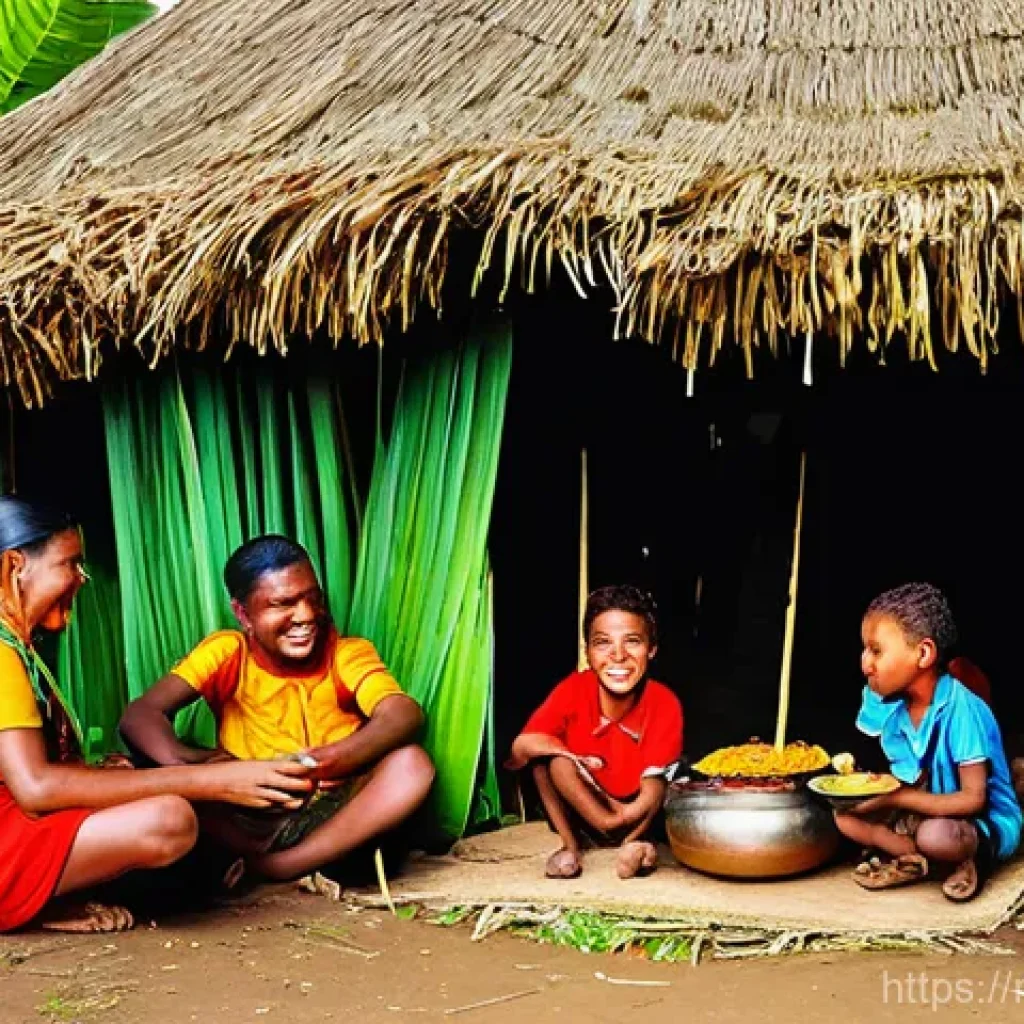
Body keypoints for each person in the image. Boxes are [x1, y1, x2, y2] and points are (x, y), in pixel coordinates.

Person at [0, 496, 314, 934]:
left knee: (162, 796)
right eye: (70, 564)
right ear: (15, 566)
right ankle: (39, 900)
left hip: (20, 824)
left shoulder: (18, 649)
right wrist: (211, 781)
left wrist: (101, 773)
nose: (82, 578)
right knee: (169, 821)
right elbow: (35, 788)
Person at [120, 535, 434, 885]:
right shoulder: (229, 652)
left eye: (313, 599)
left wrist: (332, 759)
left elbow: (402, 713)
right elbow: (140, 715)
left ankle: (280, 866)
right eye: (283, 604)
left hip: (328, 816)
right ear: (243, 614)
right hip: (241, 813)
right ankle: (235, 859)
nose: (306, 615)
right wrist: (192, 765)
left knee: (411, 764)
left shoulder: (345, 654)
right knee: (134, 772)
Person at [837, 582, 1021, 901]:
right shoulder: (895, 708)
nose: (865, 664)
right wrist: (872, 790)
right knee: (844, 817)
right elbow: (914, 777)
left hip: (976, 819)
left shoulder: (962, 709)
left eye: (876, 651)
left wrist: (895, 798)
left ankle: (971, 855)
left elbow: (973, 799)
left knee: (937, 836)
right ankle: (913, 856)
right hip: (927, 808)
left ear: (923, 653)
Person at [508, 585, 683, 881]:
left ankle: (636, 845)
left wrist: (624, 816)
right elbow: (521, 746)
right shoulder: (574, 689)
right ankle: (570, 846)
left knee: (668, 781)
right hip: (583, 810)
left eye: (632, 642)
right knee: (550, 762)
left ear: (652, 649)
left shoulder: (662, 700)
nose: (618, 656)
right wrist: (574, 759)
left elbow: (653, 784)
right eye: (602, 643)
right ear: (587, 652)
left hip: (638, 814)